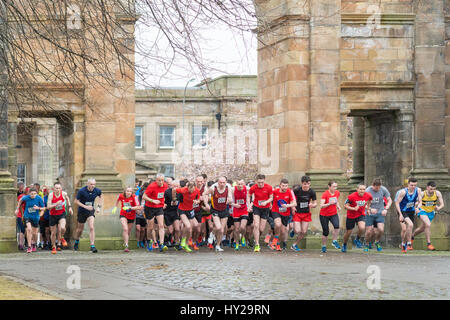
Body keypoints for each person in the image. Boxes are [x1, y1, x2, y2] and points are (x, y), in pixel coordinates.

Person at [203, 176, 233, 252]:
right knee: (218, 227)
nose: (222, 184)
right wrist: (206, 204)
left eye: (224, 182)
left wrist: (229, 199)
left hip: (224, 210)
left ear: (226, 182)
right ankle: (212, 235)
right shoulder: (213, 188)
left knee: (222, 230)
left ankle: (218, 245)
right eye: (220, 182)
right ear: (218, 182)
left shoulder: (228, 188)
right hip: (215, 210)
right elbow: (204, 194)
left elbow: (230, 196)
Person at [412, 181, 444, 250]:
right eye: (430, 189)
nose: (432, 191)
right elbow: (416, 202)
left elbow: (442, 204)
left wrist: (439, 207)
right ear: (427, 188)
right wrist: (416, 208)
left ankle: (411, 237)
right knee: (428, 224)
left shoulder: (437, 193)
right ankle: (429, 244)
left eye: (434, 189)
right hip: (422, 211)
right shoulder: (423, 194)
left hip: (431, 212)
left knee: (422, 228)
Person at [74, 178, 103, 253]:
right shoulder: (82, 191)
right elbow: (76, 201)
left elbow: (101, 197)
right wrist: (85, 206)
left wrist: (99, 207)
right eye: (91, 184)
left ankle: (92, 246)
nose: (93, 186)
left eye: (94, 184)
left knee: (91, 227)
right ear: (87, 184)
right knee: (80, 229)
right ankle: (77, 240)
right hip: (82, 211)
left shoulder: (97, 190)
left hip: (90, 211)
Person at [142, 174, 169, 252]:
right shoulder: (151, 186)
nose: (161, 182)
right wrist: (152, 200)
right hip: (149, 207)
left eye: (162, 180)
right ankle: (149, 240)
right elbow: (144, 196)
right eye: (159, 180)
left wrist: (163, 203)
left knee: (161, 225)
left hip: (159, 207)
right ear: (156, 180)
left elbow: (162, 196)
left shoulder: (165, 186)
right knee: (150, 227)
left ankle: (161, 244)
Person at [342, 184, 372, 253]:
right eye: (360, 189)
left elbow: (369, 200)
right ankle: (344, 244)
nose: (362, 191)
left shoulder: (368, 195)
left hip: (360, 214)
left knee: (362, 228)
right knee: (348, 232)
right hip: (351, 215)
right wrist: (353, 208)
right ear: (357, 189)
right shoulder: (351, 196)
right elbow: (345, 206)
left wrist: (367, 208)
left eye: (363, 189)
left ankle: (357, 239)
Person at [395, 177, 422, 253]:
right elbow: (397, 203)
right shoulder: (403, 192)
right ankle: (409, 243)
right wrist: (400, 214)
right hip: (403, 211)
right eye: (411, 185)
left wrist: (417, 207)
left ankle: (403, 243)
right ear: (408, 184)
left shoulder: (418, 190)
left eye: (415, 185)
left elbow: (420, 201)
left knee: (408, 228)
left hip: (411, 211)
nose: (413, 187)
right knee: (410, 225)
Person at [365, 179, 392, 252]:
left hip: (380, 212)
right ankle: (367, 244)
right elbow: (363, 203)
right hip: (369, 213)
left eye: (379, 187)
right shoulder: (367, 191)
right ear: (373, 185)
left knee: (381, 229)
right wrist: (370, 208)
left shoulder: (383, 189)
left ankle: (377, 242)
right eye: (376, 188)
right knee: (369, 231)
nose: (378, 189)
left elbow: (390, 200)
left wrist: (386, 209)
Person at [291, 176, 317, 252]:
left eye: (308, 184)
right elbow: (291, 199)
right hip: (297, 213)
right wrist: (292, 207)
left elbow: (315, 203)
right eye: (305, 184)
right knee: (298, 231)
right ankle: (294, 229)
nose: (307, 186)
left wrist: (313, 205)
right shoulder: (297, 190)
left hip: (306, 213)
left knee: (304, 232)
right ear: (302, 183)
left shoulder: (312, 192)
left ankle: (294, 244)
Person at [173, 181, 201, 252]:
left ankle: (186, 244)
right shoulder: (183, 190)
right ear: (187, 187)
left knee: (190, 229)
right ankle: (183, 240)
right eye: (189, 190)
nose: (191, 191)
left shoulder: (197, 190)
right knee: (188, 226)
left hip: (190, 210)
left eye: (193, 190)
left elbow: (199, 199)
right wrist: (174, 199)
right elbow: (174, 190)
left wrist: (197, 201)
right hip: (182, 210)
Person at [248, 174, 273, 252]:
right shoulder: (253, 187)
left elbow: (271, 198)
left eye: (262, 182)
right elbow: (248, 195)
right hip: (256, 207)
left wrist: (266, 202)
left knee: (261, 229)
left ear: (264, 180)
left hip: (265, 208)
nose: (260, 184)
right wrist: (249, 205)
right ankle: (257, 244)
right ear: (256, 181)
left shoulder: (269, 187)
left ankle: (256, 238)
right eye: (259, 182)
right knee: (256, 225)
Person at [15, 188, 45, 253]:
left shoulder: (39, 198)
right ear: (29, 194)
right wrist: (17, 209)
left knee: (35, 233)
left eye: (34, 194)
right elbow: (20, 200)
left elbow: (43, 208)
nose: (33, 195)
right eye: (31, 194)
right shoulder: (26, 197)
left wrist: (40, 213)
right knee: (29, 229)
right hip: (27, 216)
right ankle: (29, 246)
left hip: (36, 217)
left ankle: (34, 244)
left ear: (36, 194)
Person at [270, 179, 296, 251]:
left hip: (286, 213)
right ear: (280, 185)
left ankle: (278, 244)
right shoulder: (275, 191)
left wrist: (287, 205)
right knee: (278, 224)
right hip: (276, 211)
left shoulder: (289, 192)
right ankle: (275, 239)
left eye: (286, 186)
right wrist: (269, 203)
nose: (285, 187)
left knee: (283, 231)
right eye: (283, 186)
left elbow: (294, 203)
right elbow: (269, 197)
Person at [47, 182, 73, 254]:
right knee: (53, 233)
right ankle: (53, 247)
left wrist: (70, 207)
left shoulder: (64, 194)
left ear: (61, 189)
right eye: (56, 188)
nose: (58, 190)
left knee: (62, 227)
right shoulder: (51, 195)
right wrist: (55, 204)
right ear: (53, 189)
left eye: (59, 188)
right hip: (53, 215)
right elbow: (48, 207)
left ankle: (61, 237)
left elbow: (67, 199)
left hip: (62, 214)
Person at [113, 186, 140, 252]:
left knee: (128, 231)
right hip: (123, 214)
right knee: (125, 229)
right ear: (125, 191)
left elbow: (138, 207)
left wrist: (130, 208)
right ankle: (126, 245)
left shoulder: (134, 197)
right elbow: (117, 200)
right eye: (127, 191)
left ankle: (125, 242)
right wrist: (115, 207)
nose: (129, 192)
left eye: (130, 191)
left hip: (131, 215)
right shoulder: (121, 196)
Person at [319, 181, 341, 253]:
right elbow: (321, 205)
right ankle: (324, 246)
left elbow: (336, 200)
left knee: (337, 226)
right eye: (333, 187)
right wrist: (329, 203)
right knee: (326, 232)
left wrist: (338, 206)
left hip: (333, 213)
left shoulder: (337, 192)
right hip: (324, 215)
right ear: (329, 187)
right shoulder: (325, 194)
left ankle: (334, 241)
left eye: (336, 186)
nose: (335, 188)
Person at [230, 179, 251, 251]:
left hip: (244, 209)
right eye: (239, 184)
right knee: (236, 229)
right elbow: (229, 201)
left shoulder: (247, 189)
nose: (240, 185)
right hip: (236, 210)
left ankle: (243, 237)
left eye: (242, 184)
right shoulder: (233, 189)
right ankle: (236, 243)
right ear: (236, 184)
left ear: (244, 184)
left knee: (242, 227)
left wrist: (249, 207)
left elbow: (251, 197)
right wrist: (234, 204)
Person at [164, 178, 182, 250]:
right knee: (170, 231)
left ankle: (177, 242)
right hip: (168, 212)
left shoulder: (180, 193)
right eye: (174, 186)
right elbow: (163, 200)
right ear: (171, 186)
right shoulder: (167, 192)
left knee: (177, 229)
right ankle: (168, 239)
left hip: (176, 212)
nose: (176, 188)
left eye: (177, 186)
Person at [135, 184, 147, 248]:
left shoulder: (147, 200)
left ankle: (141, 241)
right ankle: (137, 241)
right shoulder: (137, 198)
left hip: (144, 216)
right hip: (137, 215)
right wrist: (137, 210)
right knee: (138, 228)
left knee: (143, 229)